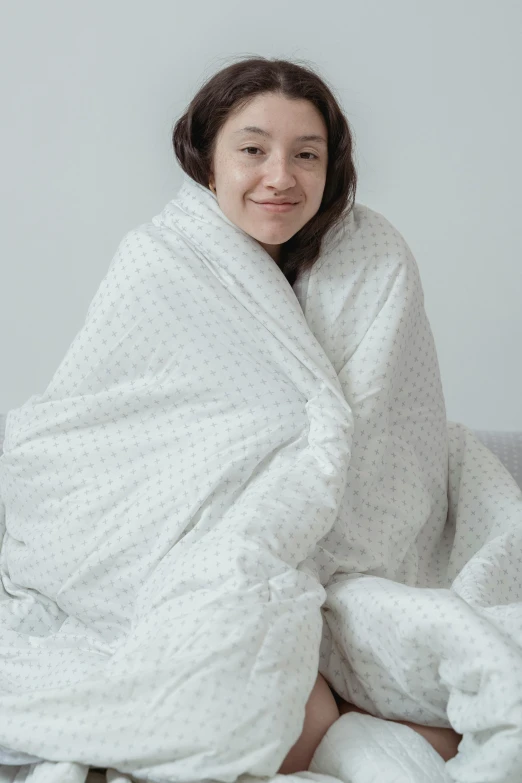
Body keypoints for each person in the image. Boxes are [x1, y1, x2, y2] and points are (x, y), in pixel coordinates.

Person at [171, 55, 462, 774]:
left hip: (347, 529)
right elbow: (128, 425)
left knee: (301, 707)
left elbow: (378, 430)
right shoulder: (165, 260)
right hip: (207, 534)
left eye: (307, 155)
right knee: (249, 702)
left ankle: (363, 706)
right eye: (252, 150)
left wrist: (287, 550)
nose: (281, 177)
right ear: (209, 160)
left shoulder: (374, 258)